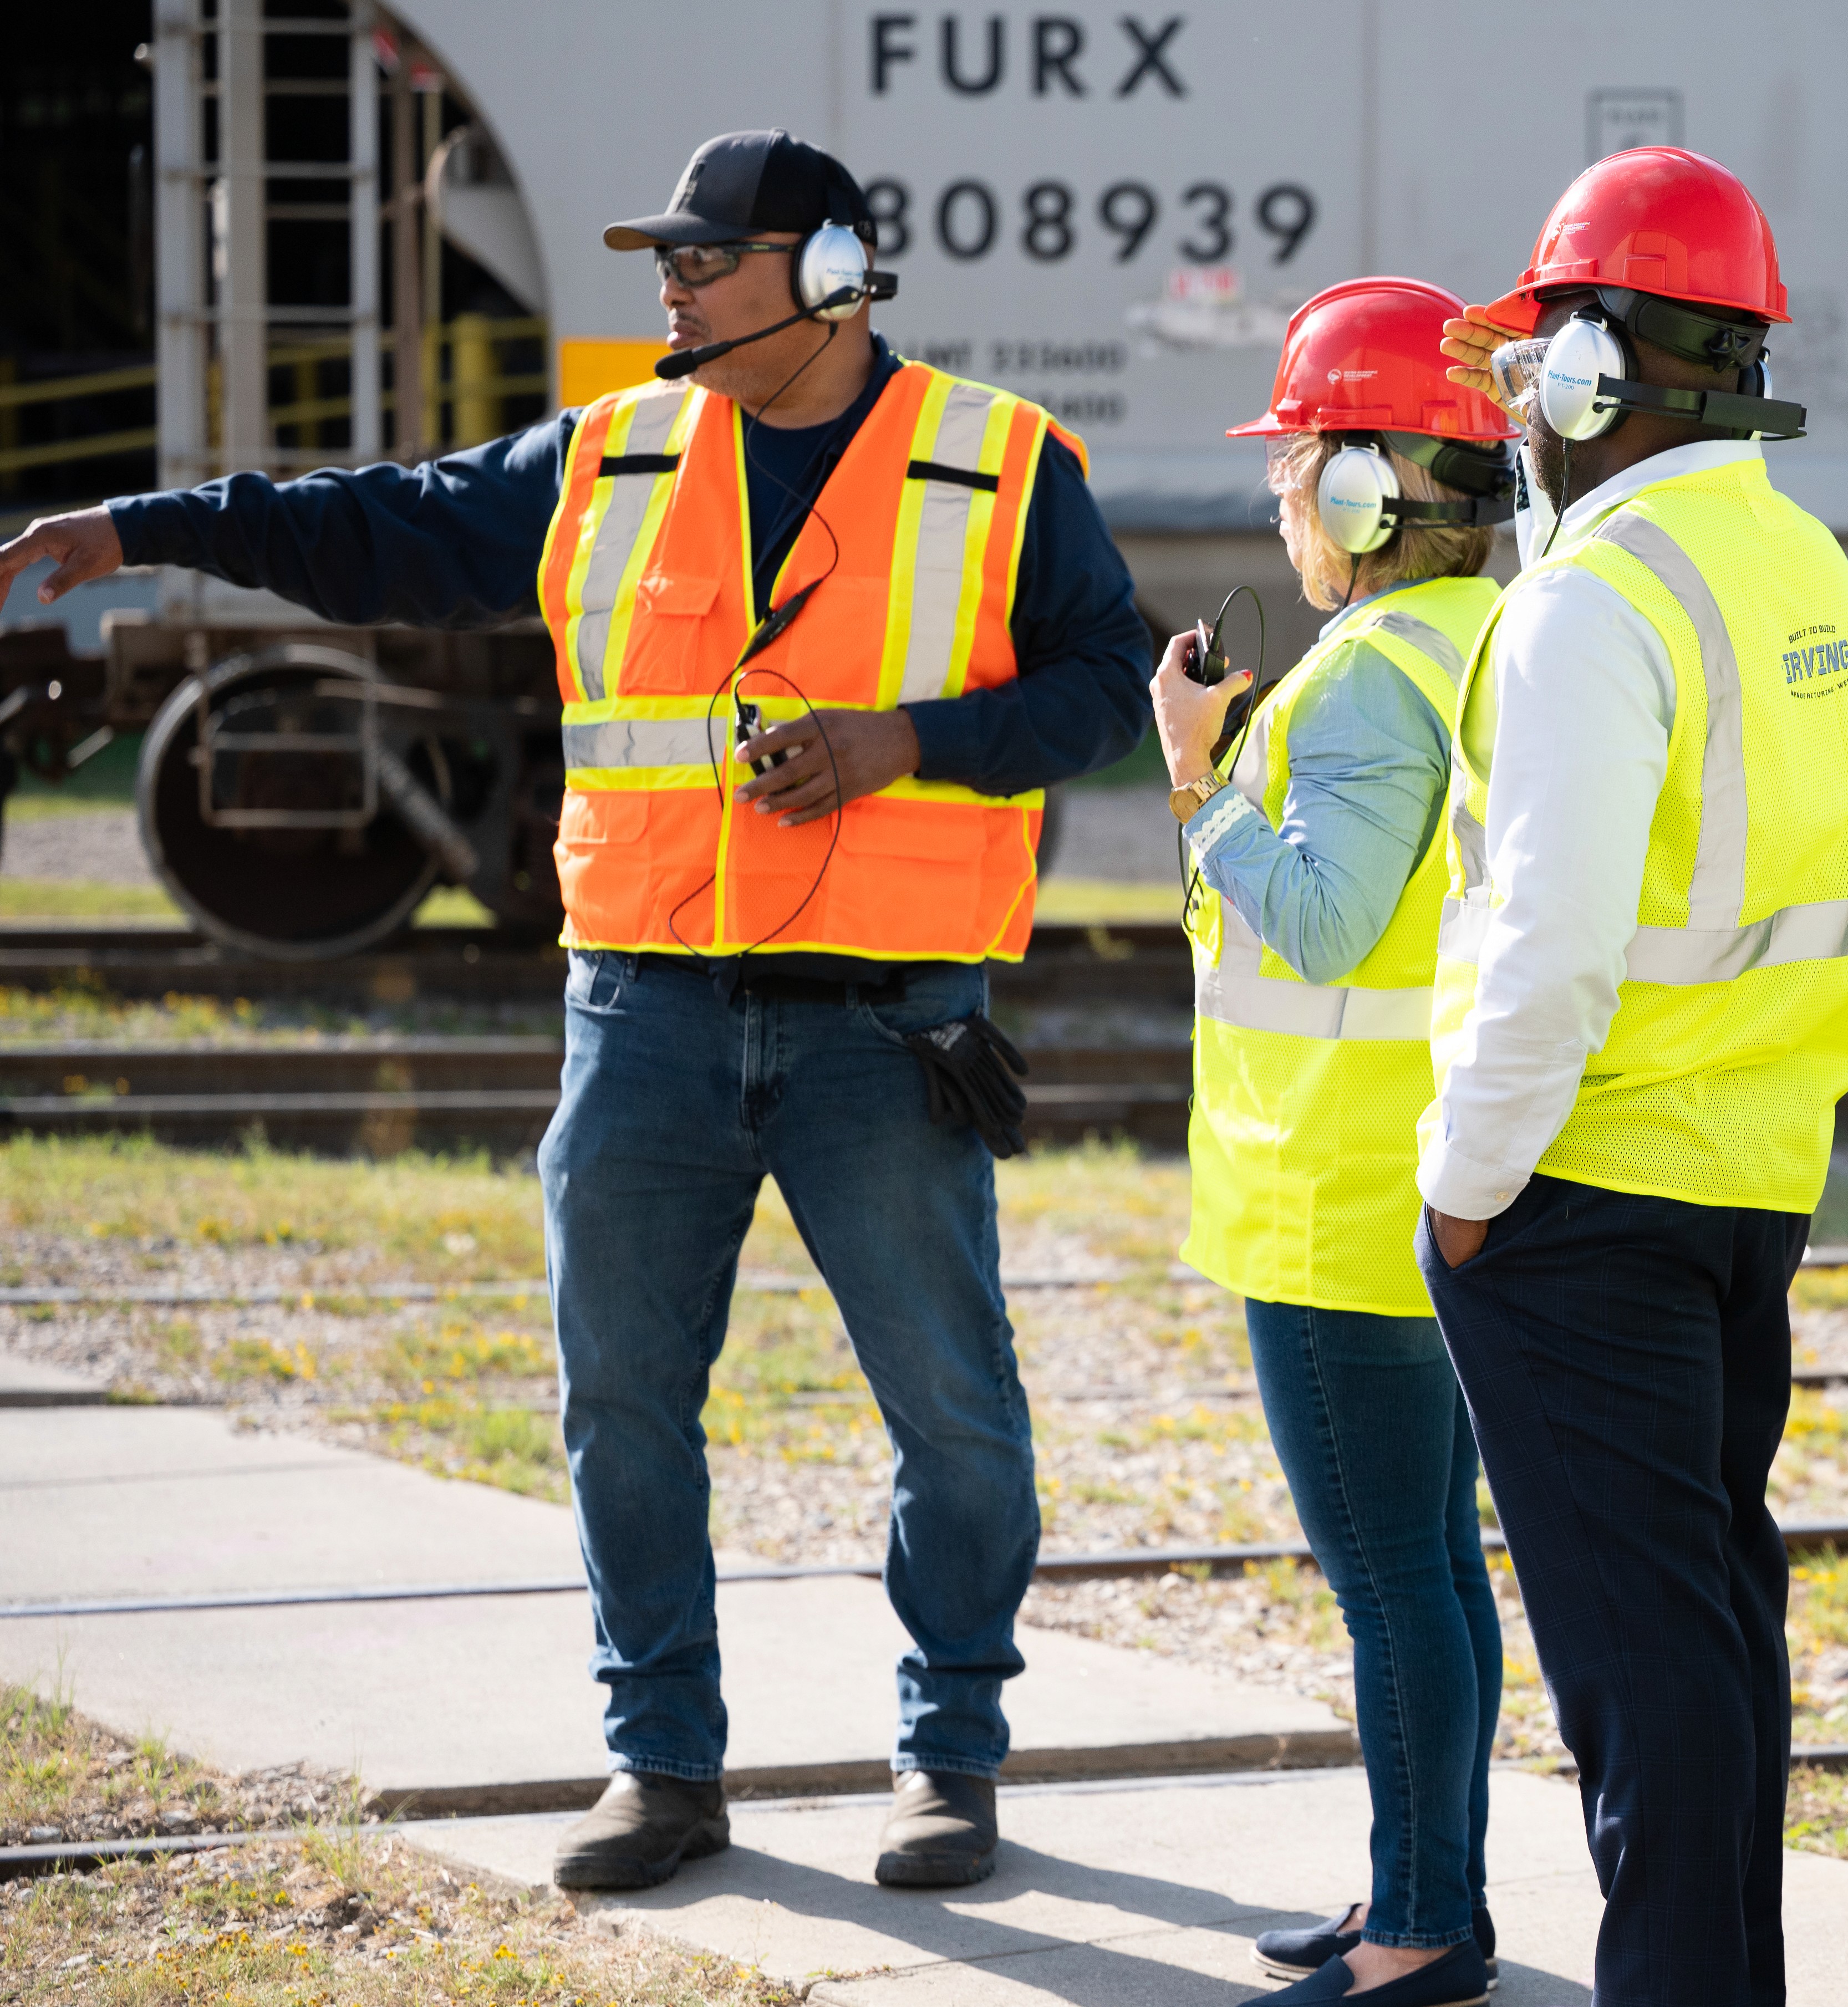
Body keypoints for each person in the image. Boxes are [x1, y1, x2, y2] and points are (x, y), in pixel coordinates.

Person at [0, 130, 1154, 1893]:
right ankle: (663, 1768)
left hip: (887, 1028)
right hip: (647, 1019)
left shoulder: (996, 465)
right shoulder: (608, 453)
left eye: (705, 260)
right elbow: (374, 524)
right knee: (619, 1402)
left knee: (953, 1413)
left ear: (833, 275)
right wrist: (140, 529)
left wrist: (903, 742)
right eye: (665, 262)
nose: (671, 288)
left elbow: (1098, 689)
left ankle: (949, 1760)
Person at [1417, 145, 1848, 2007]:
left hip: (1584, 1192)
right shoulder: (1791, 557)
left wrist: (1463, 1180)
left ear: (1604, 370)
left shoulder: (1592, 598)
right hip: (1746, 1177)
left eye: (1537, 360)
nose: (1518, 399)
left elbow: (1553, 939)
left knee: (1635, 1653)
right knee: (1710, 1612)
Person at [1146, 278, 1511, 2007]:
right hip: (1409, 1189)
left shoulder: (1365, 682)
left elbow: (1325, 913)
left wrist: (1199, 778)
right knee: (1433, 1569)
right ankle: (1423, 1894)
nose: (1279, 501)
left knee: (1391, 1588)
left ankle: (1417, 1934)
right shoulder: (1477, 643)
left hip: (1334, 1205)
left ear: (1370, 494)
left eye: (1297, 470)